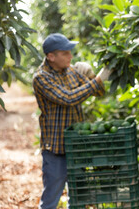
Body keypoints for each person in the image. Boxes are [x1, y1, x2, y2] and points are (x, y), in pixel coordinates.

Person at [32, 33, 112, 209]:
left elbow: (98, 92)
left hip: (76, 145)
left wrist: (92, 76)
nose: (71, 56)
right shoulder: (41, 77)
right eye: (65, 53)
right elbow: (68, 98)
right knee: (51, 196)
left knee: (78, 198)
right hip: (55, 147)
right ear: (51, 56)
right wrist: (97, 81)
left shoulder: (71, 71)